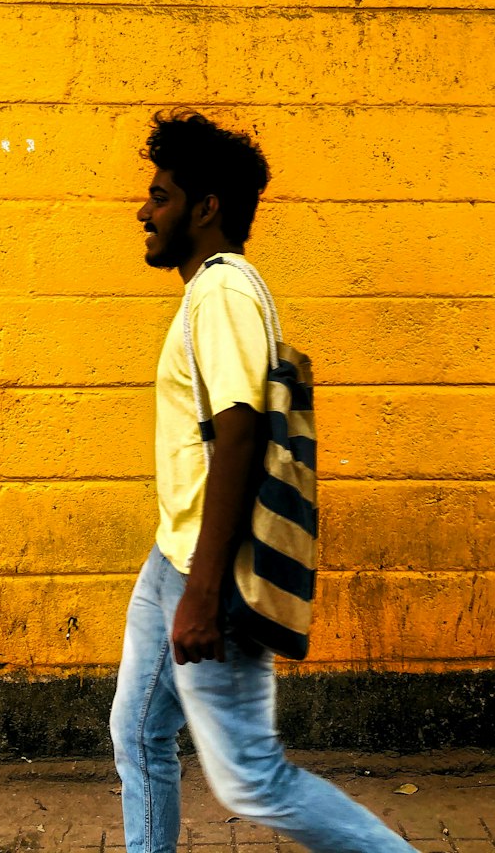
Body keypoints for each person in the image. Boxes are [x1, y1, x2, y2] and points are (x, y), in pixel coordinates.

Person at [109, 111, 418, 853]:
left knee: (250, 777)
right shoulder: (211, 295)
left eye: (160, 197)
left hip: (210, 573)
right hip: (173, 558)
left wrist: (204, 595)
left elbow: (239, 436)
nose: (144, 212)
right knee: (136, 729)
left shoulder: (221, 293)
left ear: (205, 207)